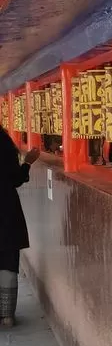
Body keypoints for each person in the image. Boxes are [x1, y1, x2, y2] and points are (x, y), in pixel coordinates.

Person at [0, 128, 39, 326]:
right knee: (7, 259)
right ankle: (6, 315)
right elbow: (16, 178)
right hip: (5, 210)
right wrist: (28, 163)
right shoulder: (4, 143)